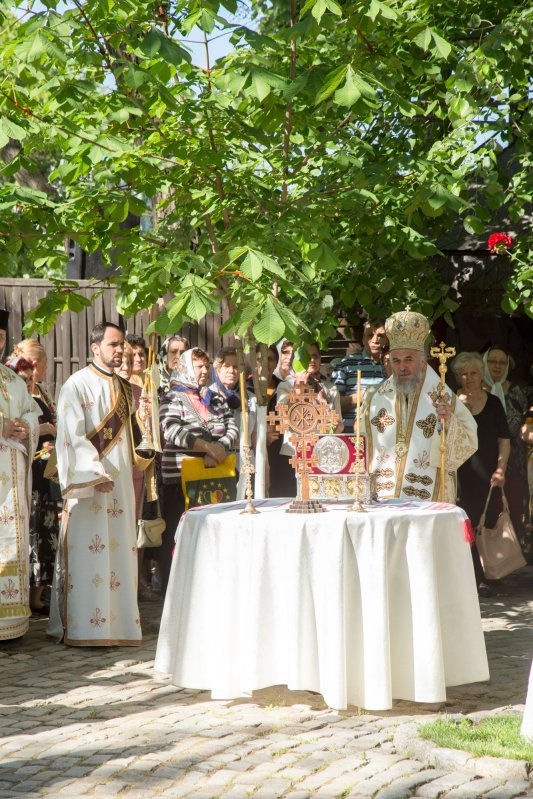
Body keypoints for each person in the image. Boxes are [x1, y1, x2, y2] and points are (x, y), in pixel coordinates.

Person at [48, 322, 153, 646]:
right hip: (91, 486)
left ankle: (118, 627)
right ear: (95, 348)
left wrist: (145, 425)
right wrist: (93, 472)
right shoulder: (75, 385)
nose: (119, 350)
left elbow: (134, 443)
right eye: (113, 344)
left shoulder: (124, 388)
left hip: (119, 485)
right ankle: (83, 628)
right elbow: (70, 435)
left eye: (121, 344)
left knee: (120, 553)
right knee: (88, 555)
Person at [362, 310, 478, 503]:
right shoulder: (378, 398)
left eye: (409, 359)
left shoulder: (441, 394)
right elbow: (362, 442)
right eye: (396, 361)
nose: (402, 367)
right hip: (385, 497)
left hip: (429, 497)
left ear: (423, 361)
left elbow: (470, 438)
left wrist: (449, 421)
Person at [159, 347, 239, 594]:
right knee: (179, 534)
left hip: (216, 476)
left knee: (214, 534)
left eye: (206, 367)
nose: (204, 371)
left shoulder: (215, 398)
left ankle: (210, 589)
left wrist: (220, 449)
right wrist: (205, 446)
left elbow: (232, 426)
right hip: (180, 480)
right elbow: (170, 429)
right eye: (198, 366)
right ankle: (176, 592)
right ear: (184, 368)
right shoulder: (172, 397)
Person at [453, 352, 511, 596]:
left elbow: (504, 440)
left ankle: (491, 574)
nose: (469, 377)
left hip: (488, 475)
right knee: (467, 526)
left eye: (474, 372)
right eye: (463, 373)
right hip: (462, 476)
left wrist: (501, 469)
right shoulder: (452, 402)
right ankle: (476, 578)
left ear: (481, 373)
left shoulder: (494, 403)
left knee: (488, 525)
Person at [8, 347, 60, 613]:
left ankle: (36, 595)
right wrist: (40, 430)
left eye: (31, 379)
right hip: (17, 477)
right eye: (24, 378)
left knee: (44, 536)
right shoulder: (12, 397)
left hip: (40, 475)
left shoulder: (37, 399)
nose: (29, 383)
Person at [0, 311, 40, 642]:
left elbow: (31, 410)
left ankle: (12, 625)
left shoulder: (13, 379)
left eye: (1, 337)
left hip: (13, 480)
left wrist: (27, 425)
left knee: (13, 541)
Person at [273, 343, 344, 498]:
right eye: (306, 356)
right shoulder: (285, 386)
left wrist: (324, 405)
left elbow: (338, 427)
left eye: (315, 356)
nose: (312, 360)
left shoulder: (330, 389)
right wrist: (298, 391)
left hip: (324, 455)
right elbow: (282, 420)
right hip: (294, 454)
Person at [482, 345, 529, 548]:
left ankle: (512, 558)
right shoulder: (475, 390)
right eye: (492, 361)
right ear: (484, 363)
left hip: (514, 464)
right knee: (487, 512)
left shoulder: (517, 393)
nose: (498, 366)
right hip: (484, 463)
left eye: (503, 362)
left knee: (513, 510)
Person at [211, 347, 257, 497]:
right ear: (217, 369)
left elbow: (256, 437)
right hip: (220, 461)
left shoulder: (251, 398)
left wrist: (266, 469)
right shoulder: (208, 396)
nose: (232, 370)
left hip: (246, 462)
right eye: (226, 366)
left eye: (236, 366)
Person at [332, 319, 388, 433]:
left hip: (384, 432)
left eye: (380, 336)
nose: (375, 340)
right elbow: (331, 406)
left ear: (387, 339)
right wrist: (361, 397)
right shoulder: (346, 363)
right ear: (363, 338)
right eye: (370, 335)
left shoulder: (392, 364)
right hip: (350, 432)